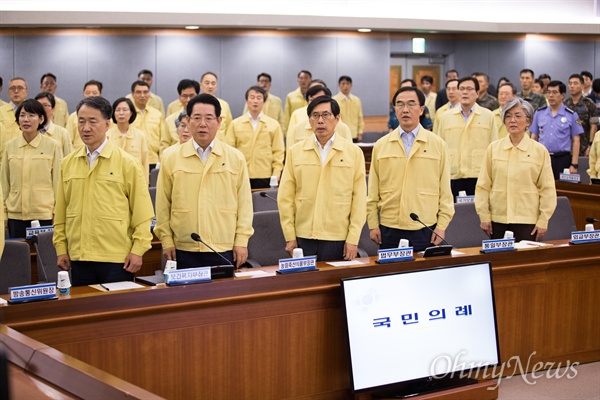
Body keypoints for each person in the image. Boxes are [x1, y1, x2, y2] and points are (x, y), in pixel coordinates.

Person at [53, 96, 154, 286]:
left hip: (117, 259)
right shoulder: (67, 164)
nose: (85, 128)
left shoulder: (127, 163)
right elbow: (60, 214)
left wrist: (138, 250)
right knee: (84, 314)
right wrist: (61, 248)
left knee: (118, 314)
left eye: (92, 121)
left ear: (107, 125)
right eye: (81, 122)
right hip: (79, 257)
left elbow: (143, 214)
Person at [155, 94, 253, 269]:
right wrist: (166, 240)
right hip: (183, 247)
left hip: (224, 246)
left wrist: (241, 241)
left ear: (219, 121)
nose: (202, 124)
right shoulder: (171, 157)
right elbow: (163, 203)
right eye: (197, 118)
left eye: (209, 118)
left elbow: (245, 205)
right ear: (187, 120)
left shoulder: (235, 157)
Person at [278, 95, 366, 261]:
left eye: (326, 115)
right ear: (309, 120)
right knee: (305, 285)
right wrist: (290, 236)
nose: (320, 121)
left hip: (338, 236)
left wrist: (353, 238)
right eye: (315, 116)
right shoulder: (295, 152)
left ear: (337, 118)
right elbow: (285, 198)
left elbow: (359, 199)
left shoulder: (353, 153)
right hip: (303, 236)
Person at [368, 87, 454, 252]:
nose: (405, 110)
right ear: (395, 110)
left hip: (425, 226)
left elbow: (445, 192)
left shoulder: (438, 145)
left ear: (421, 109)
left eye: (411, 104)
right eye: (400, 105)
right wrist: (373, 224)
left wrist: (441, 225)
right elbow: (372, 192)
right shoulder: (381, 145)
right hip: (389, 226)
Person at [475, 97, 556, 242]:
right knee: (499, 262)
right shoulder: (494, 149)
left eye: (518, 116)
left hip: (527, 220)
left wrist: (543, 219)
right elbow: (483, 186)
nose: (512, 120)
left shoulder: (540, 151)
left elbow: (547, 189)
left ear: (528, 121)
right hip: (497, 219)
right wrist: (484, 216)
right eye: (508, 116)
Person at [1, 99, 62, 238]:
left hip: (44, 214)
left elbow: (58, 183)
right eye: (22, 115)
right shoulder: (10, 146)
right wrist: (3, 214)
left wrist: (57, 214)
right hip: (15, 214)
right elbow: (4, 184)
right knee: (18, 256)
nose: (26, 119)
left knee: (42, 258)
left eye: (31, 115)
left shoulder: (53, 146)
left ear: (41, 119)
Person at [437, 76, 498, 198]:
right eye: (462, 89)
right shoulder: (446, 117)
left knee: (477, 213)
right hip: (453, 175)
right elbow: (439, 147)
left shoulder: (488, 116)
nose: (465, 92)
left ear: (477, 93)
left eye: (469, 89)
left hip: (479, 174)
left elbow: (494, 147)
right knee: (453, 213)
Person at [226, 86, 284, 189]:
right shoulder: (235, 124)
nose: (255, 101)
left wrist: (276, 173)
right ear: (247, 101)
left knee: (264, 204)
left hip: (265, 174)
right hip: (241, 173)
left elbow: (278, 152)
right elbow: (229, 151)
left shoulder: (273, 125)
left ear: (264, 101)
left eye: (259, 98)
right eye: (252, 97)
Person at [530, 80, 582, 179]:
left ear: (562, 95)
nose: (550, 96)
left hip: (562, 159)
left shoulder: (572, 115)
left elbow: (576, 141)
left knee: (562, 190)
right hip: (542, 158)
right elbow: (534, 137)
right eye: (548, 92)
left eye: (554, 92)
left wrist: (574, 164)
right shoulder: (539, 113)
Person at [287, 85, 352, 150]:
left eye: (321, 99)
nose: (316, 103)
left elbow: (350, 153)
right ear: (307, 103)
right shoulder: (297, 129)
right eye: (312, 100)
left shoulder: (343, 129)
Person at [106, 97, 149, 182]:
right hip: (112, 181)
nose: (121, 113)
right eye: (118, 110)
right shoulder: (106, 136)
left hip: (134, 180)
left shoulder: (140, 136)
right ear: (113, 113)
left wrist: (145, 185)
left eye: (125, 110)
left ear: (131, 112)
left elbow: (144, 163)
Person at [130, 80, 168, 170]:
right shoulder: (128, 114)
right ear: (132, 94)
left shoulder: (157, 114)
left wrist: (161, 159)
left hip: (153, 160)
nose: (142, 95)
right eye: (138, 92)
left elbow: (163, 140)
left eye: (145, 92)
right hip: (133, 159)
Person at [162, 79, 199, 152]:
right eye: (184, 96)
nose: (188, 100)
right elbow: (164, 144)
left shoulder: (204, 119)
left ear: (197, 96)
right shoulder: (170, 120)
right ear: (179, 97)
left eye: (192, 96)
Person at [565, 74, 597, 156]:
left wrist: (590, 146)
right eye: (570, 83)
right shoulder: (565, 104)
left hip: (584, 146)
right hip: (566, 147)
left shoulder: (589, 103)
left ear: (582, 86)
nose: (572, 86)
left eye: (575, 83)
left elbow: (593, 126)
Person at [65, 80, 103, 149]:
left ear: (100, 95)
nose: (91, 95)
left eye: (94, 93)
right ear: (83, 94)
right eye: (87, 93)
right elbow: (68, 142)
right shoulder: (73, 117)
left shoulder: (105, 116)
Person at [34, 92, 73, 157]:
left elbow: (69, 159)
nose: (41, 109)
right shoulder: (28, 132)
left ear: (53, 110)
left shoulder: (63, 133)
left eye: (45, 105)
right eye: (38, 105)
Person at [199, 72, 233, 140]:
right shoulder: (194, 104)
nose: (210, 86)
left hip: (220, 146)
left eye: (213, 83)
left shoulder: (224, 105)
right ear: (201, 85)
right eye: (207, 83)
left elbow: (229, 129)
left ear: (216, 87)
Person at [333, 75, 364, 142]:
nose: (345, 86)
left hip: (354, 134)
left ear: (351, 85)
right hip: (339, 133)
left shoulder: (356, 100)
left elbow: (360, 117)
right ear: (339, 85)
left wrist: (360, 133)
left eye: (347, 83)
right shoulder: (334, 100)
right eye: (343, 83)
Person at [283, 70, 312, 134]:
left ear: (310, 80)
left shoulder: (313, 96)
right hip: (295, 128)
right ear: (298, 80)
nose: (303, 80)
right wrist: (287, 131)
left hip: (311, 127)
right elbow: (287, 115)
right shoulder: (290, 96)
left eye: (306, 78)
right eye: (301, 78)